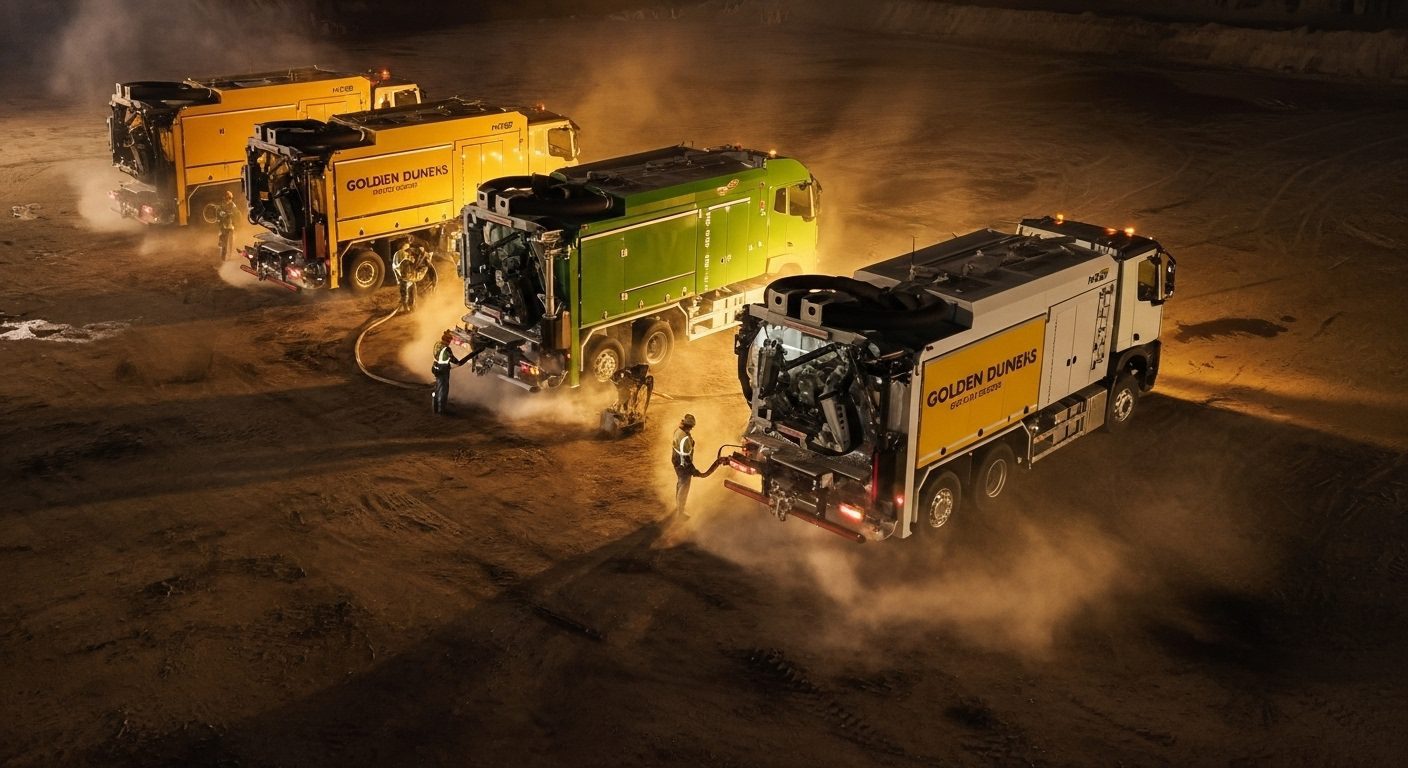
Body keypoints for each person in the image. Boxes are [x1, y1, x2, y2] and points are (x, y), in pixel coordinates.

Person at [672, 413, 703, 517]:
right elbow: (685, 457)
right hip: (682, 463)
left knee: (680, 482)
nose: (691, 429)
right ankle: (680, 511)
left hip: (676, 459)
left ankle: (678, 505)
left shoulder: (678, 431)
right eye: (691, 427)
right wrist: (692, 469)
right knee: (684, 485)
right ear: (688, 426)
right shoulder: (683, 437)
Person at [431, 330, 468, 414]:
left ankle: (435, 407)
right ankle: (441, 410)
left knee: (437, 387)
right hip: (443, 370)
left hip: (435, 367)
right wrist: (459, 362)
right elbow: (453, 360)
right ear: (448, 340)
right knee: (443, 390)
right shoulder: (446, 349)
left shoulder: (437, 344)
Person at [392, 242, 430, 312]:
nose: (409, 248)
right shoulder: (401, 253)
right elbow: (404, 265)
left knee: (411, 290)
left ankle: (410, 306)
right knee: (406, 292)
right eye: (407, 246)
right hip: (405, 277)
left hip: (406, 277)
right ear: (403, 246)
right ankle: (407, 307)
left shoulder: (401, 254)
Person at [215, 190, 239, 261]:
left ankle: (229, 257)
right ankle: (223, 258)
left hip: (230, 227)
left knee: (230, 243)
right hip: (224, 227)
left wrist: (232, 214)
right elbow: (218, 212)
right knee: (224, 244)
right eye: (227, 198)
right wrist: (222, 213)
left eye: (229, 198)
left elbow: (236, 213)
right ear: (225, 198)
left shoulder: (233, 205)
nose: (228, 200)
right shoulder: (221, 205)